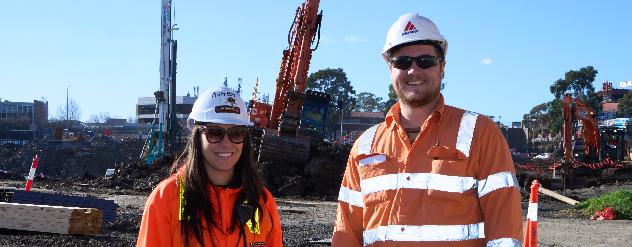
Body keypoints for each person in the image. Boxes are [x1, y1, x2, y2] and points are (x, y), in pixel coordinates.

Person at [332, 13, 522, 246]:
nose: (413, 71)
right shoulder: (365, 145)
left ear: (442, 67)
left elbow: (504, 229)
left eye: (425, 61)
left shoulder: (480, 133)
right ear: (390, 68)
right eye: (402, 62)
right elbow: (346, 232)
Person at [137, 86, 282, 247]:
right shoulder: (167, 199)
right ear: (197, 135)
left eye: (236, 133)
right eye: (214, 132)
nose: (226, 143)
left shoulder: (262, 201)